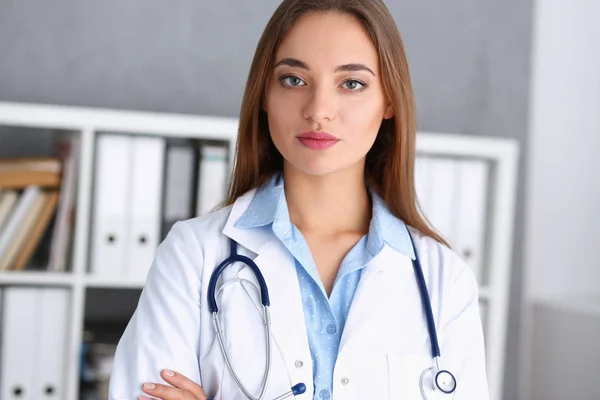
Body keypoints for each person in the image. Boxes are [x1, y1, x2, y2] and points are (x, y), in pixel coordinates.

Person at [108, 0, 489, 399]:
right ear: (264, 95)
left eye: (351, 83)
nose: (318, 110)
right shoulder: (192, 255)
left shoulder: (442, 279)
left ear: (389, 101)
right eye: (293, 80)